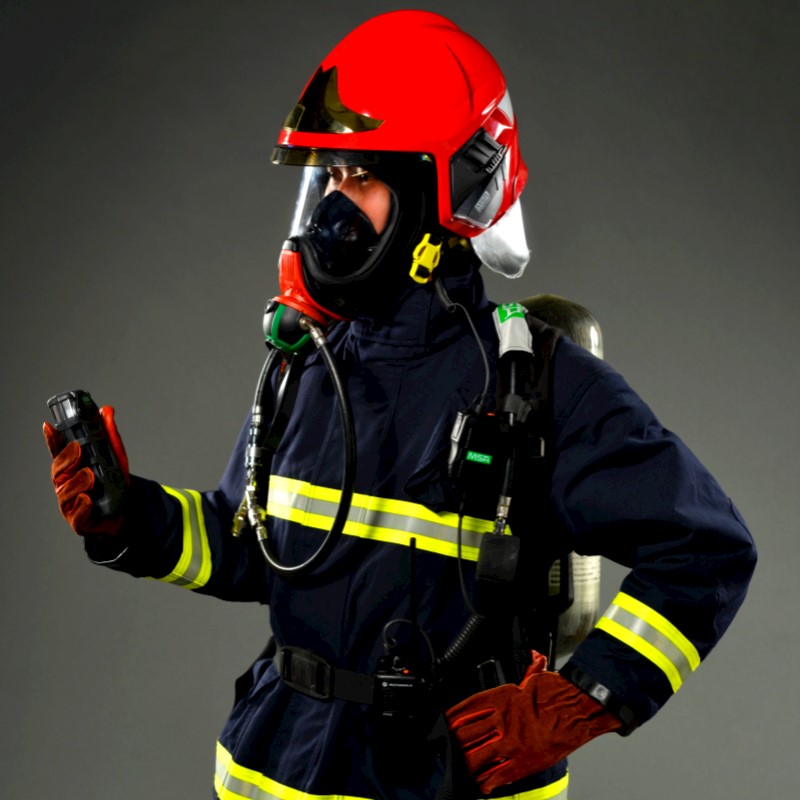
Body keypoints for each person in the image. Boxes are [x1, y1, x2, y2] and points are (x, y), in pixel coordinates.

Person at [44, 11, 756, 800]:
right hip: (274, 765)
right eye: (327, 178)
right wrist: (129, 521)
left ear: (434, 199)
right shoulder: (307, 365)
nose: (330, 211)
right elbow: (255, 549)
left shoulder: (540, 386)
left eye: (361, 179)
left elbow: (707, 549)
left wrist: (577, 701)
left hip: (446, 775)